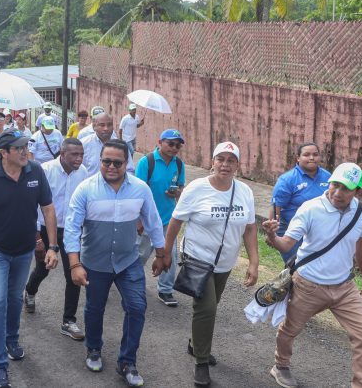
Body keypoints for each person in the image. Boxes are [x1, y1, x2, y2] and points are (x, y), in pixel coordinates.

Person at [262, 162, 362, 388]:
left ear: (357, 192)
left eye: (346, 188)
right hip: (309, 285)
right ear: (329, 182)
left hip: (344, 287)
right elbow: (286, 245)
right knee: (290, 329)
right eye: (335, 185)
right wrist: (273, 237)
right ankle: (281, 365)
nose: (338, 192)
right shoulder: (310, 208)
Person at [64, 139, 164, 387]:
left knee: (137, 307)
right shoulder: (86, 189)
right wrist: (75, 265)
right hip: (94, 263)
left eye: (117, 162)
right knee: (95, 308)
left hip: (127, 262)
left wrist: (162, 254)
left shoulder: (140, 189)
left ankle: (127, 362)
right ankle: (94, 349)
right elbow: (72, 228)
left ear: (127, 163)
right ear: (100, 161)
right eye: (106, 161)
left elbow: (153, 221)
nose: (111, 166)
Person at [0, 128, 59, 388]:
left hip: (24, 249)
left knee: (15, 298)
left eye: (26, 147)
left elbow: (48, 209)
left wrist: (53, 246)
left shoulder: (35, 171)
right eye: (18, 148)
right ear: (3, 153)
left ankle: (12, 338)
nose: (24, 152)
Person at [161, 141, 259, 387]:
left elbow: (249, 228)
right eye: (221, 159)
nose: (225, 165)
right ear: (212, 162)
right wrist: (165, 253)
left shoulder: (244, 191)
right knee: (207, 310)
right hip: (197, 259)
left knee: (211, 306)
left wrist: (254, 262)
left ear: (237, 165)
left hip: (225, 263)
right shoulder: (196, 188)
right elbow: (175, 222)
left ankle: (196, 344)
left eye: (231, 160)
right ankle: (201, 362)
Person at [24, 138, 88, 340]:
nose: (79, 159)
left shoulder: (83, 173)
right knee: (43, 269)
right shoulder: (45, 170)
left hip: (71, 230)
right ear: (62, 153)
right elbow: (33, 204)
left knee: (74, 274)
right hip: (44, 229)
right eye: (74, 154)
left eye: (81, 154)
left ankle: (69, 321)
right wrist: (37, 238)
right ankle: (30, 292)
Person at [134, 129, 186, 307]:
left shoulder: (179, 164)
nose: (174, 148)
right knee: (140, 255)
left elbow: (181, 188)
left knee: (169, 255)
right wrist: (139, 220)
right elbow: (137, 191)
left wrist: (176, 192)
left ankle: (165, 289)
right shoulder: (146, 162)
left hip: (168, 220)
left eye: (177, 145)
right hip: (147, 219)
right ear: (160, 142)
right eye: (170, 143)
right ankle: (131, 283)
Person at [270, 142, 331, 263]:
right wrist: (272, 234)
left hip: (319, 232)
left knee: (316, 267)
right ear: (298, 158)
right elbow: (276, 207)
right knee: (296, 265)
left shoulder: (328, 177)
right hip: (293, 232)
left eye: (315, 154)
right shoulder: (287, 179)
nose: (312, 158)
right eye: (306, 154)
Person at [81, 112, 134, 178]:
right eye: (102, 125)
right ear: (94, 127)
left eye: (109, 125)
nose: (106, 128)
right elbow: (78, 170)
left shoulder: (121, 146)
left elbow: (130, 170)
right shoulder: (84, 144)